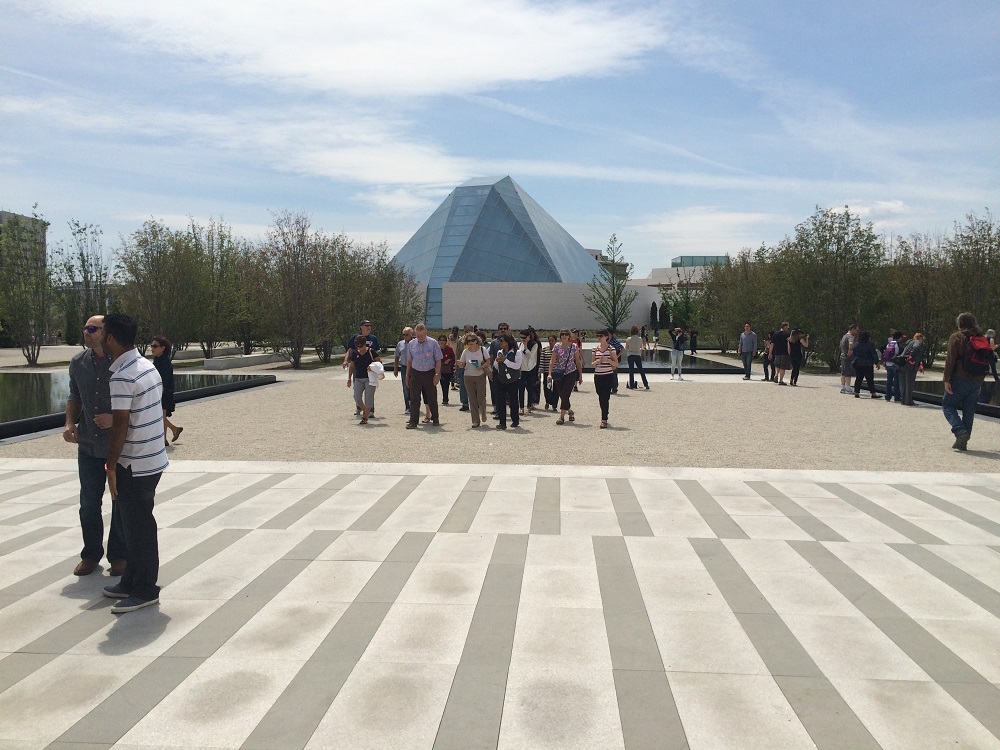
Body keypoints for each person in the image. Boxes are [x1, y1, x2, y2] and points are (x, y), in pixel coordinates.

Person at [101, 312, 168, 613]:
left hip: (134, 464)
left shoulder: (123, 376)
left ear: (111, 338)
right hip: (152, 459)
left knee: (139, 527)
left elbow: (120, 426)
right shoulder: (146, 366)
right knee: (132, 524)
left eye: (101, 332)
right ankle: (131, 579)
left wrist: (110, 466)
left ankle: (145, 588)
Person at [64, 315, 126, 577]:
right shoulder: (78, 363)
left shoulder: (123, 363)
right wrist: (70, 422)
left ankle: (119, 556)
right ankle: (91, 554)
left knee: (119, 502)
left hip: (118, 446)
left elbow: (141, 401)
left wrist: (116, 419)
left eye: (92, 329)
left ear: (106, 333)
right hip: (88, 446)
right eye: (85, 328)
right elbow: (74, 395)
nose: (86, 332)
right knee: (88, 504)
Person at [943, 312, 989, 451]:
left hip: (960, 378)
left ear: (960, 323)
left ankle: (960, 432)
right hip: (977, 379)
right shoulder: (981, 338)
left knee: (948, 406)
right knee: (969, 411)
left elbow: (950, 360)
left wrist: (946, 379)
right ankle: (963, 442)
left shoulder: (957, 337)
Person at [405, 323, 443, 429]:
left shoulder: (433, 343)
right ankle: (413, 421)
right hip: (416, 373)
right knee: (414, 398)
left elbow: (438, 360)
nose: (420, 338)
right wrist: (407, 375)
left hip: (429, 373)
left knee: (432, 397)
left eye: (422, 335)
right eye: (418, 336)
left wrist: (437, 374)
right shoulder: (411, 344)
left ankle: (435, 418)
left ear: (426, 332)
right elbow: (409, 361)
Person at [150, 335, 182, 444]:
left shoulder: (164, 361)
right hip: (161, 391)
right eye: (151, 346)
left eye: (155, 346)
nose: (152, 348)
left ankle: (164, 439)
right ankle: (174, 429)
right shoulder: (158, 360)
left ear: (162, 348)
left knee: (161, 416)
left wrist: (159, 392)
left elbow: (163, 379)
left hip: (164, 392)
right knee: (160, 415)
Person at [549, 328, 583, 425]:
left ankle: (561, 417)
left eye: (566, 334)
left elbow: (577, 361)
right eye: (562, 334)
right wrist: (549, 373)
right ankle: (570, 411)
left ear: (569, 336)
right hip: (559, 373)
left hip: (571, 373)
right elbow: (552, 361)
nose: (564, 336)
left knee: (565, 394)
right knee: (562, 394)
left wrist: (580, 375)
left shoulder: (574, 347)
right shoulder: (556, 346)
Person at [458, 332, 491, 427]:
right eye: (468, 341)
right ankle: (475, 421)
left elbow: (488, 362)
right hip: (468, 376)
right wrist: (460, 364)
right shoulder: (465, 352)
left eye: (472, 340)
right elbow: (463, 364)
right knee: (472, 399)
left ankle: (483, 412)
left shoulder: (482, 349)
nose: (470, 342)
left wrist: (482, 366)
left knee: (481, 397)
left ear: (477, 341)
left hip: (480, 376)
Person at [492, 333, 522, 429]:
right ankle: (502, 423)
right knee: (500, 401)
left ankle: (515, 420)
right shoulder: (500, 352)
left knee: (513, 401)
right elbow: (496, 367)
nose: (500, 343)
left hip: (513, 380)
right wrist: (497, 361)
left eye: (502, 341)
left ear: (507, 342)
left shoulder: (517, 352)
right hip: (501, 379)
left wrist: (505, 361)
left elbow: (517, 366)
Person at [347, 336, 379, 424]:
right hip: (358, 378)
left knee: (368, 399)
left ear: (365, 344)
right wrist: (349, 378)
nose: (359, 348)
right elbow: (352, 366)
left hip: (370, 378)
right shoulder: (355, 353)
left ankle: (365, 418)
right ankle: (365, 411)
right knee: (357, 397)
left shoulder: (371, 352)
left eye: (360, 346)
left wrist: (372, 366)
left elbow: (379, 363)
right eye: (357, 346)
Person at [592, 330, 619, 428]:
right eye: (597, 335)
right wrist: (597, 361)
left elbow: (616, 363)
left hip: (608, 375)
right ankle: (605, 412)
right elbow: (592, 364)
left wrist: (607, 360)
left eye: (601, 335)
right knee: (600, 395)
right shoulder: (595, 349)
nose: (599, 337)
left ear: (606, 337)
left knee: (605, 396)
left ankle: (604, 419)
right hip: (598, 375)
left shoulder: (611, 349)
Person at [851, 331, 880, 399]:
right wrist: (877, 362)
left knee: (858, 378)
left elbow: (854, 353)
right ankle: (873, 393)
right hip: (868, 364)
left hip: (858, 363)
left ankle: (857, 392)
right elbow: (874, 354)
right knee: (870, 379)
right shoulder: (870, 344)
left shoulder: (857, 344)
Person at [517, 328, 540, 414]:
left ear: (529, 337)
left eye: (524, 337)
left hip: (531, 368)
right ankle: (521, 407)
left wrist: (526, 346)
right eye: (521, 337)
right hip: (522, 369)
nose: (522, 339)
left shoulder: (534, 344)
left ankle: (529, 405)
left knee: (530, 388)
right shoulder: (520, 344)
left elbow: (531, 356)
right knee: (521, 389)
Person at [899, 331, 924, 406]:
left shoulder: (908, 342)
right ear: (920, 338)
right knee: (909, 384)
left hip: (902, 364)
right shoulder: (917, 342)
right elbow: (916, 348)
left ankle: (903, 400)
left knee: (903, 384)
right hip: (910, 366)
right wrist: (911, 356)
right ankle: (909, 401)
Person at [393, 327, 413, 415]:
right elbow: (397, 356)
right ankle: (407, 407)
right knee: (406, 387)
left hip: (415, 367)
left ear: (411, 335)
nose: (405, 336)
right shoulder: (400, 344)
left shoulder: (415, 343)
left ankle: (414, 405)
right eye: (404, 334)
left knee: (414, 387)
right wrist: (395, 368)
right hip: (404, 367)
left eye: (407, 334)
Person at [882, 330, 903, 402]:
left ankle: (888, 396)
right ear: (899, 337)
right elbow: (900, 354)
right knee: (896, 381)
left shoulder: (889, 344)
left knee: (889, 381)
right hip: (895, 365)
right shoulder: (898, 345)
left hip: (888, 364)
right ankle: (897, 397)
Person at [624, 325, 648, 389]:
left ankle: (631, 384)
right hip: (637, 354)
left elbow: (626, 347)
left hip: (630, 354)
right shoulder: (640, 339)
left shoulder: (628, 339)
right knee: (641, 370)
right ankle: (646, 384)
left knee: (631, 370)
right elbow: (641, 346)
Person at [539, 335, 558, 409]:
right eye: (549, 340)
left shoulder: (558, 350)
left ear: (555, 341)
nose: (551, 342)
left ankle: (554, 404)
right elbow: (542, 361)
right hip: (547, 372)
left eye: (552, 340)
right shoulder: (545, 350)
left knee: (556, 388)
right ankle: (548, 401)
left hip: (556, 372)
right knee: (547, 387)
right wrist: (540, 371)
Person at [840, 324, 859, 393]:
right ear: (852, 329)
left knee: (843, 373)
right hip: (848, 357)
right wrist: (850, 350)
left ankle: (843, 387)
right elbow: (851, 343)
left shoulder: (844, 336)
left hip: (843, 356)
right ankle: (848, 388)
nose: (857, 332)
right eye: (856, 330)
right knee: (848, 372)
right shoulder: (851, 337)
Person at [437, 335, 455, 405]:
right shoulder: (436, 349)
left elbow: (453, 358)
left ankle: (445, 398)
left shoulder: (449, 349)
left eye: (443, 340)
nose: (442, 341)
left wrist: (449, 360)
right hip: (440, 369)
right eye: (440, 340)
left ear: (445, 341)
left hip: (447, 369)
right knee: (442, 383)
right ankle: (444, 397)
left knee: (446, 383)